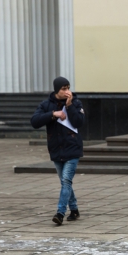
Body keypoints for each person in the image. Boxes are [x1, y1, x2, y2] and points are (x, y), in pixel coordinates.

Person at [30, 77, 85, 225]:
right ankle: (74, 209)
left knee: (66, 180)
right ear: (56, 90)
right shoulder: (46, 105)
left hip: (73, 148)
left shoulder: (76, 102)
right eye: (63, 89)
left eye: (68, 88)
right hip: (56, 149)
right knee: (64, 182)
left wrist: (69, 106)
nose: (67, 91)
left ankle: (60, 213)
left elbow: (79, 122)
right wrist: (53, 114)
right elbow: (34, 121)